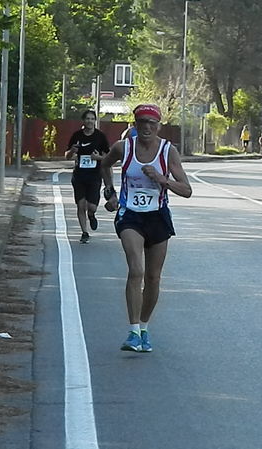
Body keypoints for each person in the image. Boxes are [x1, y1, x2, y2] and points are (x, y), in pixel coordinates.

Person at [100, 104, 192, 352]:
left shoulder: (167, 151)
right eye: (142, 123)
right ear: (135, 125)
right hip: (130, 215)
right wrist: (110, 193)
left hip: (158, 217)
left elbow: (187, 190)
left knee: (153, 277)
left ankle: (143, 328)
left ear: (159, 126)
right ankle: (132, 333)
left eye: (152, 123)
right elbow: (105, 165)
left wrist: (163, 180)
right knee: (136, 270)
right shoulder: (124, 148)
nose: (147, 127)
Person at [65, 110, 110, 243]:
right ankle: (84, 232)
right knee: (81, 205)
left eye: (92, 119)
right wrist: (72, 151)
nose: (90, 121)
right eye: (87, 119)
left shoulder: (100, 137)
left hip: (94, 176)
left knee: (91, 207)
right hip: (79, 175)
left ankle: (91, 215)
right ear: (83, 121)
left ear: (95, 121)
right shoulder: (77, 136)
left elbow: (109, 157)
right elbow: (67, 155)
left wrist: (98, 158)